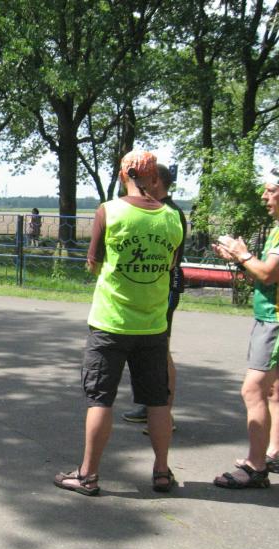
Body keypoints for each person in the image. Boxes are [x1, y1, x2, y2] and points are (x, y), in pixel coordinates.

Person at [53, 150, 183, 496]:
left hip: (110, 323)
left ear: (124, 175)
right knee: (157, 401)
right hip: (153, 325)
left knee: (100, 400)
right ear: (154, 177)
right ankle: (162, 471)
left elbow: (92, 263)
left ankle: (88, 475)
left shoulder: (109, 211)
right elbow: (171, 265)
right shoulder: (172, 217)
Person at [211, 166, 279, 489]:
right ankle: (276, 454)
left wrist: (242, 255)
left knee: (253, 390)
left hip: (278, 321)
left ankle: (256, 467)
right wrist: (237, 258)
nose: (264, 196)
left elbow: (269, 274)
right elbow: (265, 275)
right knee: (276, 389)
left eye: (271, 191)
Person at [123, 164, 186, 433]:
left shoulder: (170, 212)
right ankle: (151, 407)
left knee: (161, 352)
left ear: (155, 180)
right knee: (152, 351)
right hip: (156, 288)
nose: (137, 184)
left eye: (142, 179)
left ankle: (163, 414)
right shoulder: (158, 209)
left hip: (165, 288)